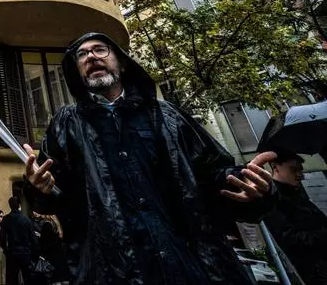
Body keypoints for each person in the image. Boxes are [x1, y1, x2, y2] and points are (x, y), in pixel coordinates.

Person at [24, 32, 278, 284]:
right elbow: (54, 195)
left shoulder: (168, 116)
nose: (91, 56)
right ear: (77, 72)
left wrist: (244, 181)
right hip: (112, 272)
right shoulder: (66, 124)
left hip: (190, 267)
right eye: (82, 54)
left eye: (100, 49)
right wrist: (38, 188)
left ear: (122, 63)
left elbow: (213, 174)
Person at [263, 150, 327, 284]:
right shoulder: (273, 199)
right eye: (294, 170)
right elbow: (289, 241)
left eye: (300, 170)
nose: (300, 175)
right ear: (275, 167)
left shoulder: (298, 195)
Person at [0, 197, 38, 285]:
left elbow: (2, 237)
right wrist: (34, 254)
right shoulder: (26, 219)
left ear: (10, 205)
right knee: (28, 278)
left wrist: (6, 250)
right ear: (19, 205)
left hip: (12, 252)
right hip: (25, 252)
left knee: (12, 279)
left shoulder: (6, 219)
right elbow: (33, 239)